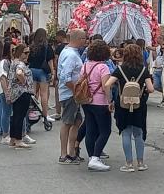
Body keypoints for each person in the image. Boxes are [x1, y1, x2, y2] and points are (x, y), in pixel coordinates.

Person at [105, 44, 154, 172]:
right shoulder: (143, 70)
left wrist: (110, 99)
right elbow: (151, 89)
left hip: (123, 105)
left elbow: (107, 84)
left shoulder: (120, 69)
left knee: (126, 133)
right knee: (138, 133)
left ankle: (129, 164)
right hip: (139, 105)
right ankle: (141, 163)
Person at [80, 39, 113, 172]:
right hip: (100, 101)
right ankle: (96, 157)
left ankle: (91, 156)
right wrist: (110, 100)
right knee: (105, 130)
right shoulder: (103, 67)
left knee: (90, 129)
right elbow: (106, 85)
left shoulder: (86, 65)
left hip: (87, 101)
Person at [57, 29, 86, 165]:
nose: (85, 41)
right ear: (78, 39)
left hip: (70, 93)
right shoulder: (71, 55)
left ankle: (72, 151)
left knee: (76, 121)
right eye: (84, 39)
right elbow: (65, 76)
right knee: (67, 122)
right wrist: (76, 90)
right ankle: (64, 154)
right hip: (70, 94)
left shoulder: (68, 52)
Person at [5, 44, 35, 149]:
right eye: (25, 53)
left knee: (15, 115)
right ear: (20, 52)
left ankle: (13, 138)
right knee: (20, 116)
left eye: (28, 52)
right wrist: (25, 82)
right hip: (22, 92)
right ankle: (18, 139)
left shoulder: (14, 62)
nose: (27, 55)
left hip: (15, 93)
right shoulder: (20, 64)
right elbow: (19, 73)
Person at [27, 28, 56, 123]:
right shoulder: (47, 47)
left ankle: (32, 112)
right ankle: (45, 115)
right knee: (44, 94)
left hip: (32, 70)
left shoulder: (32, 47)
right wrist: (52, 72)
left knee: (33, 93)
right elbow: (50, 61)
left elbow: (28, 60)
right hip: (42, 71)